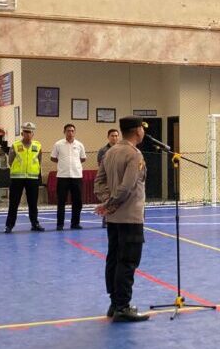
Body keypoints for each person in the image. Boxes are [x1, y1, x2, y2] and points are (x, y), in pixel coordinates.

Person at [94, 116, 150, 322]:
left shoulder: (111, 152)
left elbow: (99, 182)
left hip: (114, 218)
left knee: (114, 258)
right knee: (127, 262)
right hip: (130, 217)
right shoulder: (134, 154)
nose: (143, 132)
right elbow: (127, 186)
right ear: (137, 131)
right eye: (142, 129)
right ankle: (123, 306)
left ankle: (114, 302)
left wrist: (107, 201)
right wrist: (111, 203)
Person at [4, 122, 44, 233]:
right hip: (17, 178)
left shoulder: (38, 145)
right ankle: (9, 225)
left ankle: (35, 224)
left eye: (30, 132)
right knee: (14, 202)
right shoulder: (15, 145)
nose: (27, 134)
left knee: (33, 203)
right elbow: (10, 161)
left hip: (32, 178)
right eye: (25, 132)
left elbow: (39, 161)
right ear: (22, 133)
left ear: (33, 134)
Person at [50, 123, 86, 230]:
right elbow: (53, 158)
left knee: (77, 201)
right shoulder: (58, 144)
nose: (70, 133)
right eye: (68, 131)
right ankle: (60, 224)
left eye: (72, 131)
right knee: (61, 201)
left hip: (76, 176)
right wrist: (62, 162)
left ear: (74, 132)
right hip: (62, 176)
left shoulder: (80, 145)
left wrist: (74, 164)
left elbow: (83, 158)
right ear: (64, 132)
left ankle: (75, 223)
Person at [97, 128, 120, 229]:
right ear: (108, 137)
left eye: (116, 136)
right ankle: (106, 220)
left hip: (119, 178)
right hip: (107, 178)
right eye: (112, 136)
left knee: (117, 199)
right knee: (107, 199)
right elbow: (100, 164)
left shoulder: (121, 149)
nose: (114, 138)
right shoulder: (103, 150)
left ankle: (117, 220)